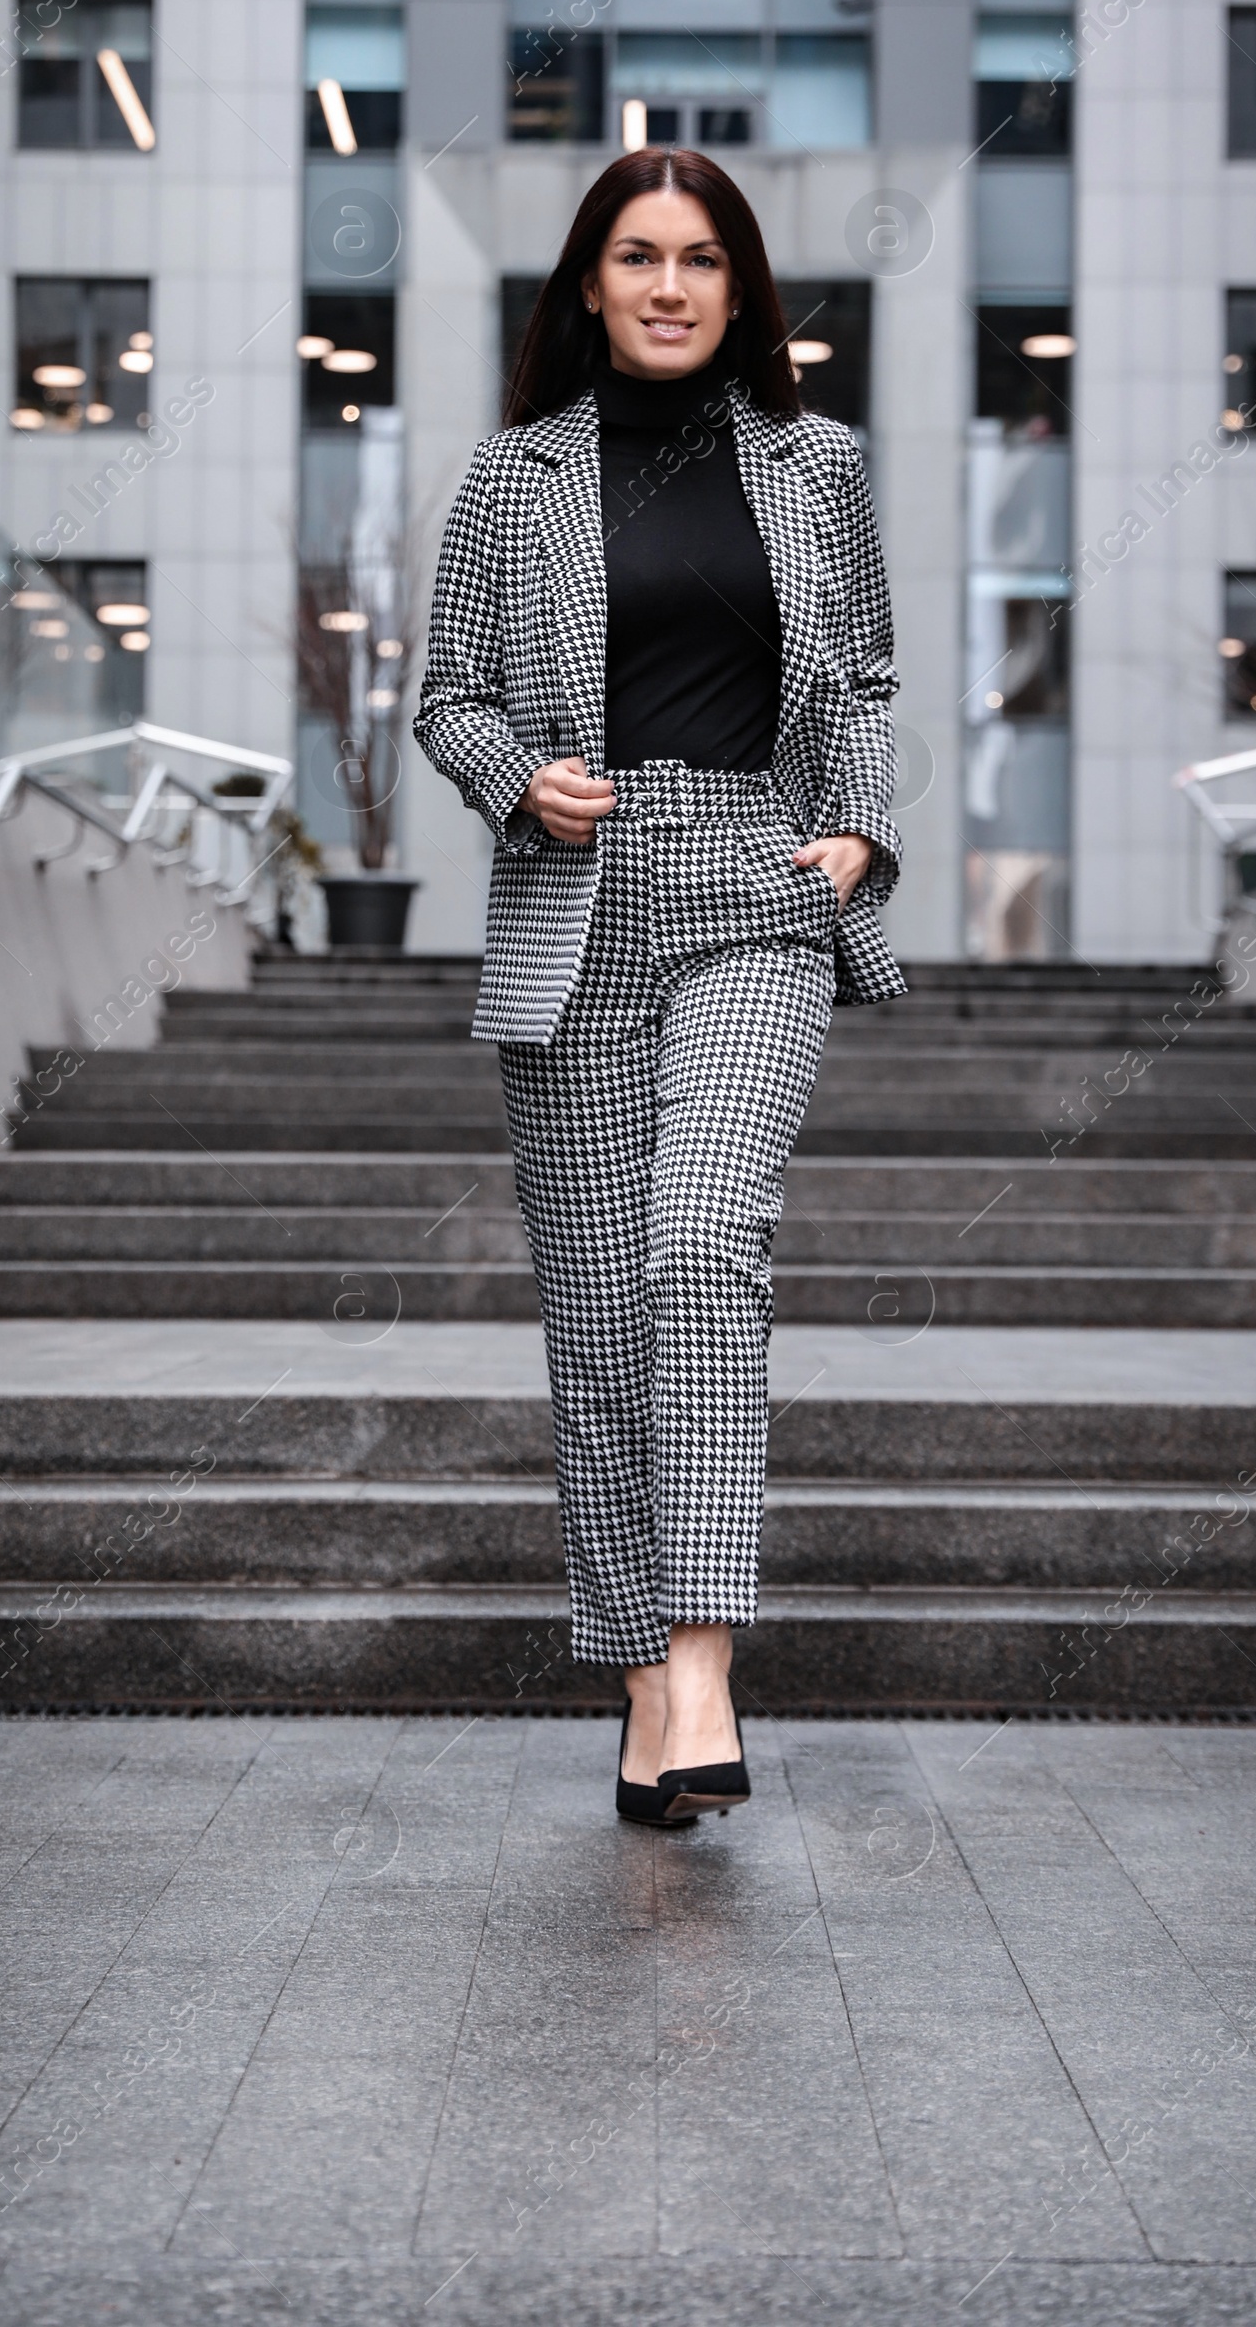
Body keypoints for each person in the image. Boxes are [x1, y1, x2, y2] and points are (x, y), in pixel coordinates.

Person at [413, 148, 904, 1826]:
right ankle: (642, 1695)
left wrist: (851, 834)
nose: (673, 285)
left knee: (703, 1235)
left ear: (742, 283)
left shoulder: (817, 463)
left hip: (754, 884)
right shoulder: (513, 473)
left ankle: (701, 1659)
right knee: (602, 1308)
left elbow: (868, 673)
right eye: (638, 256)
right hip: (576, 894)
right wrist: (518, 778)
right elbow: (447, 695)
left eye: (702, 257)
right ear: (591, 283)